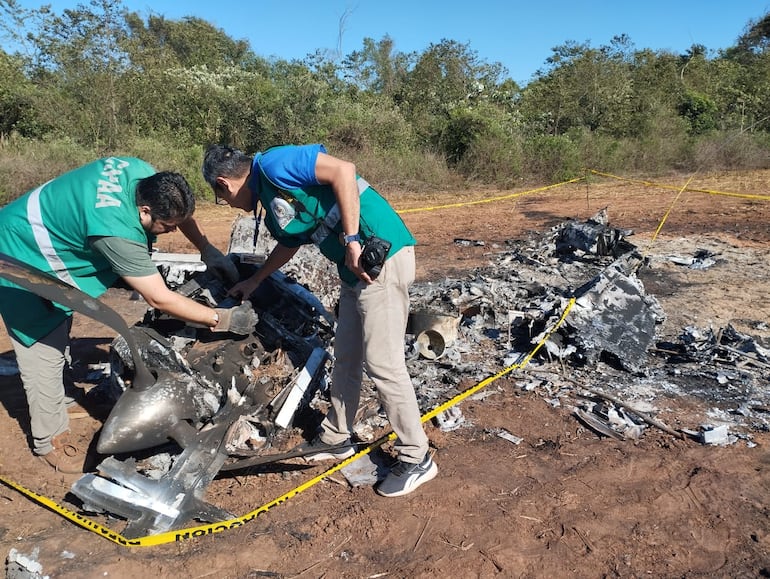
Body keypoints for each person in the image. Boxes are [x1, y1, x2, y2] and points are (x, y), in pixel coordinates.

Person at [190, 143, 437, 497]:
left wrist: (352, 240)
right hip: (354, 273)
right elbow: (291, 242)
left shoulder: (275, 165)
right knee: (347, 357)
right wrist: (255, 280)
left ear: (223, 184)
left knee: (383, 364)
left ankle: (417, 457)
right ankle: (337, 437)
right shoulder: (271, 197)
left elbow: (344, 170)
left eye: (221, 198)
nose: (227, 204)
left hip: (379, 257)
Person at [0, 157, 246, 474]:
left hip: (40, 235)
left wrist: (206, 248)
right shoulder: (115, 231)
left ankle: (59, 397)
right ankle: (50, 440)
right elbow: (159, 298)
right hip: (18, 258)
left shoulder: (143, 174)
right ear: (144, 211)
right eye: (166, 227)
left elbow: (177, 215)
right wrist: (223, 319)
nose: (170, 231)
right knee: (42, 345)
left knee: (59, 322)